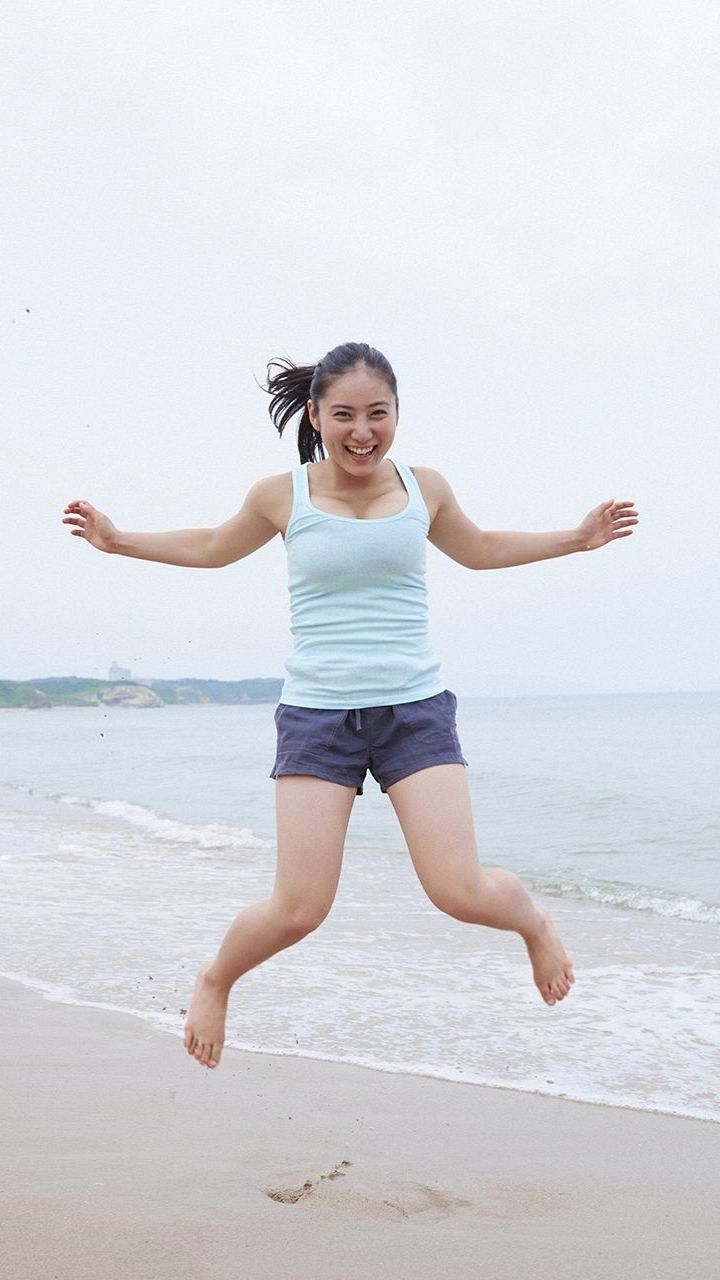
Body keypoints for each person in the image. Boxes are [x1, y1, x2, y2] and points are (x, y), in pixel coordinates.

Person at [63, 341, 639, 1071]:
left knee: (460, 892)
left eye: (377, 414)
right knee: (299, 909)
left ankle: (534, 923)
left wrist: (578, 539)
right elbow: (211, 545)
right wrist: (118, 541)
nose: (362, 432)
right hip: (318, 715)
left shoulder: (425, 488)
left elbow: (482, 548)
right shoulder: (283, 495)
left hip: (413, 711)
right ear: (315, 416)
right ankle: (216, 980)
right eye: (344, 416)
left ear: (397, 414)